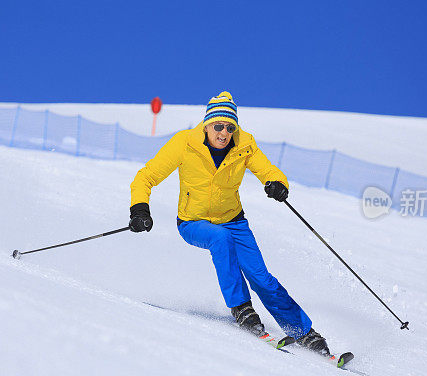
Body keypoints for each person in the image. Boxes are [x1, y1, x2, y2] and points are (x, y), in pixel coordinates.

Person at [128, 91, 330, 355]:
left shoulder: (244, 145)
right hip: (193, 222)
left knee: (262, 278)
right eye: (218, 126)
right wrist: (139, 208)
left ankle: (303, 332)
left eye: (229, 127)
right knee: (219, 239)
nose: (224, 133)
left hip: (234, 221)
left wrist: (277, 183)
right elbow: (145, 177)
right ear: (206, 125)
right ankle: (242, 308)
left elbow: (266, 169)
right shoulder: (184, 143)